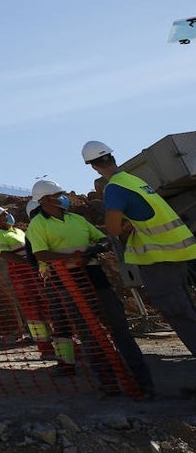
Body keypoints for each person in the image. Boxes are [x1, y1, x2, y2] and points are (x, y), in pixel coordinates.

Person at [27, 180, 154, 399]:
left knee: (119, 329)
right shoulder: (37, 224)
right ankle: (108, 384)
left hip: (96, 278)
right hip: (68, 283)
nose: (64, 197)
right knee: (88, 335)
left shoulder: (77, 218)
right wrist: (72, 258)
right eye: (59, 194)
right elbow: (40, 255)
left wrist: (100, 245)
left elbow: (101, 237)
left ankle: (142, 382)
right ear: (47, 199)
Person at [83, 140, 196, 355]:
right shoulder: (133, 180)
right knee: (186, 311)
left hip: (160, 258)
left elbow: (114, 227)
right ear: (112, 158)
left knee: (180, 314)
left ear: (93, 166)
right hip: (179, 252)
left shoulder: (114, 188)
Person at [0, 206, 54, 359]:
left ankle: (58, 341)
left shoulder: (19, 231)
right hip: (21, 277)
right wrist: (27, 262)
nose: (8, 216)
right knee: (33, 311)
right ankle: (45, 349)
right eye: (4, 215)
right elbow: (6, 255)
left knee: (47, 307)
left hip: (34, 273)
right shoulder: (0, 235)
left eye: (7, 213)